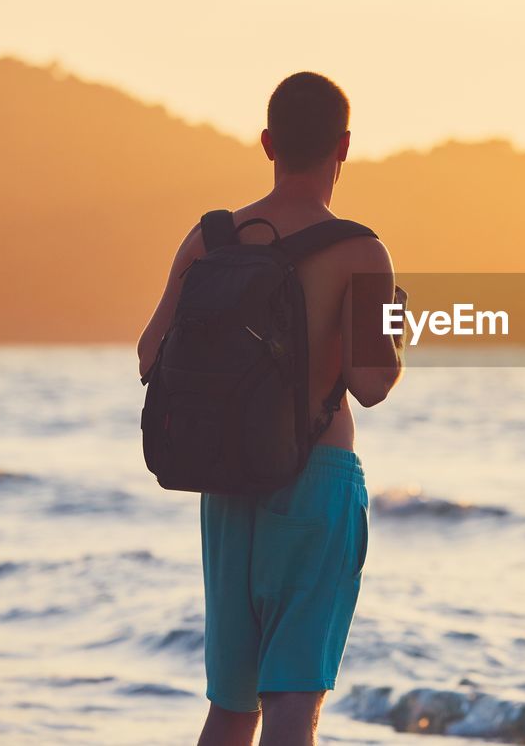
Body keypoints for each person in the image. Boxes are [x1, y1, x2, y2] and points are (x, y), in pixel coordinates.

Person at [136, 72, 403, 746]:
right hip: (314, 481)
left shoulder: (211, 240)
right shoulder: (359, 250)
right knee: (291, 702)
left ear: (266, 143)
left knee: (232, 705)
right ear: (344, 147)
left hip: (227, 485)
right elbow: (371, 382)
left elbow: (148, 354)